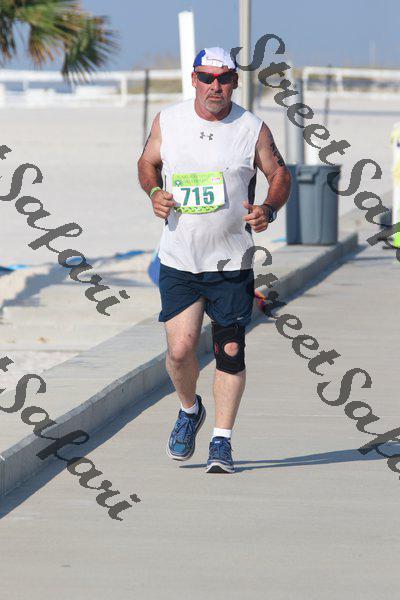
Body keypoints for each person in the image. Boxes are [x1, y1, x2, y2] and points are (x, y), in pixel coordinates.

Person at [137, 47, 291, 473]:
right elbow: (147, 162)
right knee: (180, 350)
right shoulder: (169, 120)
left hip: (231, 263)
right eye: (206, 77)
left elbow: (279, 173)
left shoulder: (251, 128)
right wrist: (154, 192)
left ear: (235, 82)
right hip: (180, 259)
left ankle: (222, 441)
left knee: (230, 351)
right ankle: (190, 410)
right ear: (194, 80)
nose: (214, 86)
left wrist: (269, 208)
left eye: (223, 78)